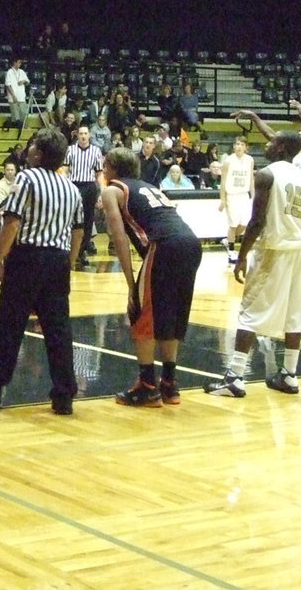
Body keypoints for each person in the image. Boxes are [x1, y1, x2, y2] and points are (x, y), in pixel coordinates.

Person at [0, 129, 83, 416]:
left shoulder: (26, 177)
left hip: (28, 258)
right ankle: (64, 394)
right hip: (58, 259)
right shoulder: (70, 186)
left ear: (38, 154)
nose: (28, 151)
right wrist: (69, 261)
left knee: (10, 325)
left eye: (32, 147)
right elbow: (79, 229)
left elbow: (12, 222)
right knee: (58, 330)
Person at [207, 131, 301, 397]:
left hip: (273, 250)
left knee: (249, 311)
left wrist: (242, 255)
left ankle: (235, 377)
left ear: (280, 148)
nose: (266, 144)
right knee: (296, 315)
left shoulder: (267, 174)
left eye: (271, 141)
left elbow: (257, 221)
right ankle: (289, 375)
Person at [100, 148, 203, 407]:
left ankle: (147, 386)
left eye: (105, 166)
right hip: (191, 243)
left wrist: (130, 283)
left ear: (113, 168)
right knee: (171, 314)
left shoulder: (112, 190)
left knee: (142, 313)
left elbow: (119, 237)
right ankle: (169, 384)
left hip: (165, 245)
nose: (102, 170)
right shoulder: (149, 186)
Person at [234, 100, 301, 331]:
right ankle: (285, 315)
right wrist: (254, 117)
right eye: (300, 130)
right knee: (285, 268)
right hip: (291, 216)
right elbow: (274, 138)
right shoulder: (293, 158)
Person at [65, 125, 104, 266]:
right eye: (81, 133)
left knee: (88, 221)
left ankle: (81, 252)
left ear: (89, 135)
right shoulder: (70, 150)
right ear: (77, 135)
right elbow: (65, 169)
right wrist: (65, 185)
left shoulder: (96, 151)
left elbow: (99, 173)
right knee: (71, 220)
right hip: (74, 185)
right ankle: (69, 250)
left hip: (89, 187)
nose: (83, 136)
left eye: (85, 133)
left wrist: (102, 191)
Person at [218, 136, 255, 263]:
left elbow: (251, 179)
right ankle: (232, 251)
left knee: (244, 224)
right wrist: (223, 199)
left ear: (246, 147)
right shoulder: (228, 161)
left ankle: (227, 240)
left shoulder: (250, 160)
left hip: (244, 195)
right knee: (233, 224)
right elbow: (222, 181)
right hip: (231, 195)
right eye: (237, 144)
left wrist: (254, 196)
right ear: (234, 146)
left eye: (242, 144)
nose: (239, 146)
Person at [4, 57, 30, 129]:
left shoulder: (22, 71)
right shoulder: (9, 72)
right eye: (19, 62)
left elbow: (28, 82)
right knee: (15, 116)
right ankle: (17, 128)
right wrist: (13, 96)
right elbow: (8, 85)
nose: (20, 64)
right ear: (14, 63)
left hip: (21, 96)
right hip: (13, 97)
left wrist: (23, 81)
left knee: (23, 113)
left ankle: (23, 125)